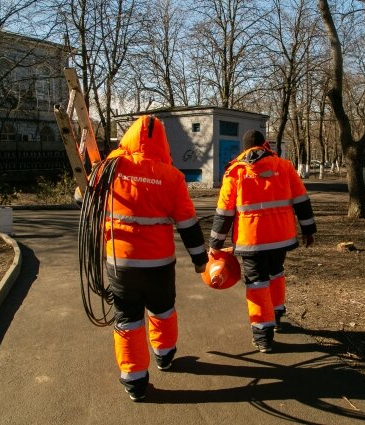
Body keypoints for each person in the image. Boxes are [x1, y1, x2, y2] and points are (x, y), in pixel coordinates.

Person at [100, 115, 208, 401]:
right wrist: (200, 260)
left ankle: (134, 380)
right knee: (162, 310)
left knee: (127, 318)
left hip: (121, 264)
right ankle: (164, 355)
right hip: (159, 264)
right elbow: (188, 223)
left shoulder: (110, 167)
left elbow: (81, 198)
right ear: (163, 143)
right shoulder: (171, 176)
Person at [209, 129, 316, 353]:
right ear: (264, 145)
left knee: (257, 284)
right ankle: (276, 314)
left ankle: (262, 334)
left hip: (252, 241)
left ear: (245, 148)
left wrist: (216, 244)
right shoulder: (285, 167)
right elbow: (302, 201)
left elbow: (224, 213)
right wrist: (308, 230)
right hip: (281, 238)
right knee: (276, 273)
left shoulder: (236, 171)